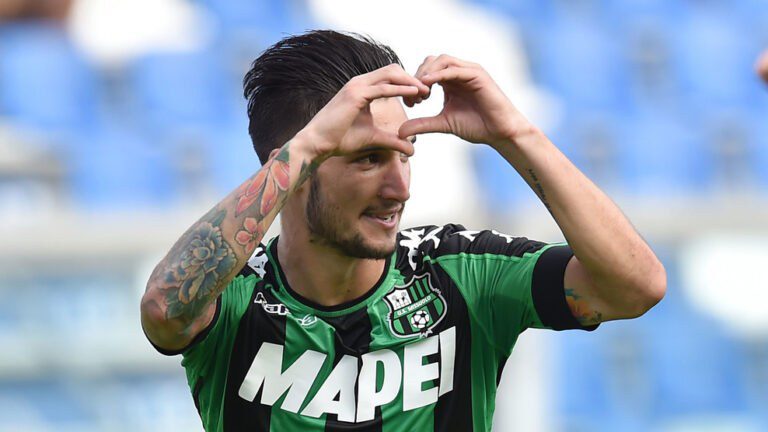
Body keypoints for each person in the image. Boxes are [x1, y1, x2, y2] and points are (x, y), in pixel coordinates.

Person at [140, 30, 666, 431]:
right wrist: (308, 144)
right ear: (295, 170)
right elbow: (164, 311)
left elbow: (636, 287)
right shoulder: (233, 296)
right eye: (368, 159)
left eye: (404, 155)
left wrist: (515, 134)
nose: (399, 188)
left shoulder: (460, 272)